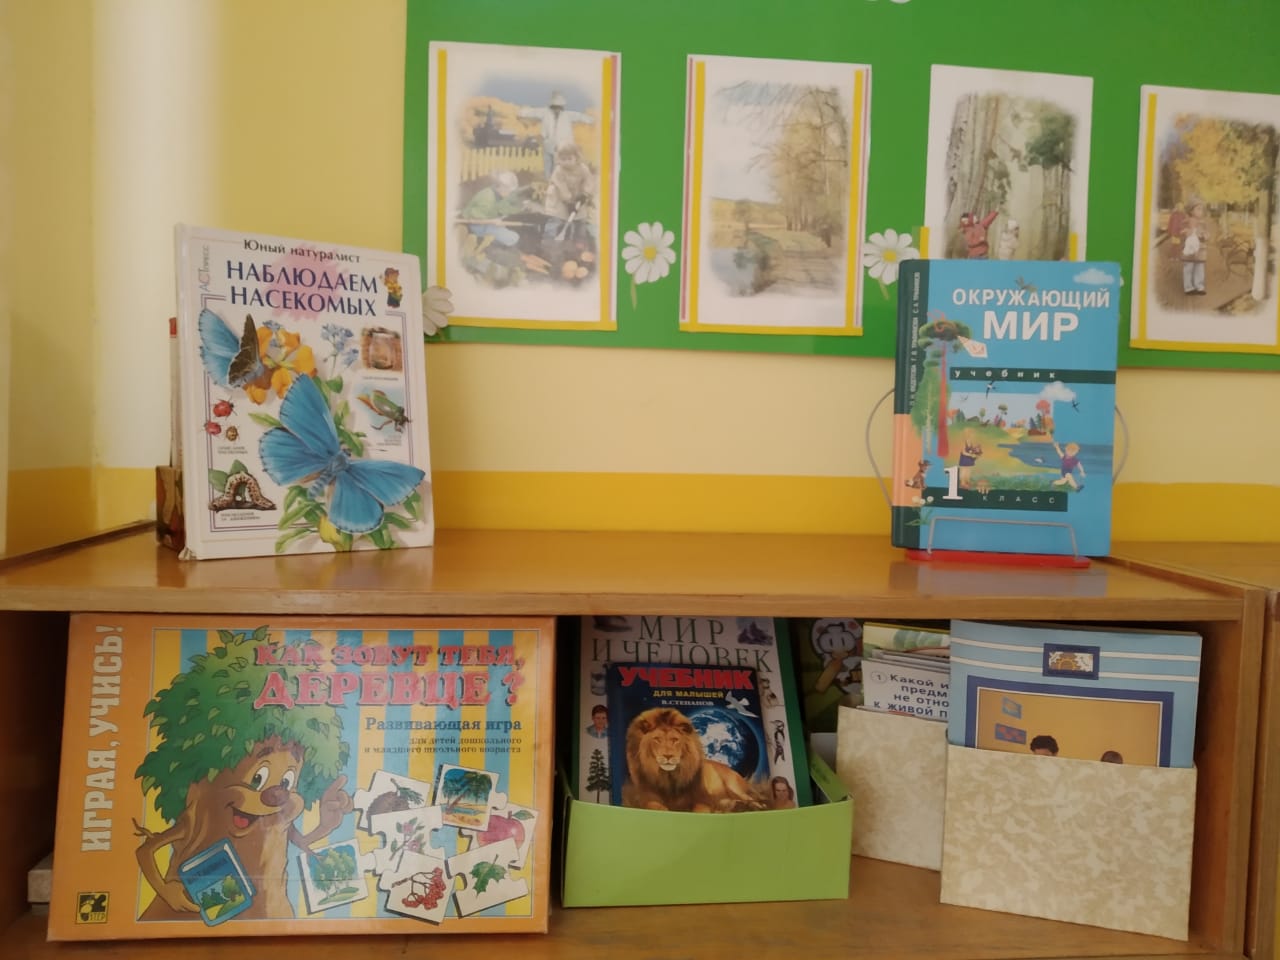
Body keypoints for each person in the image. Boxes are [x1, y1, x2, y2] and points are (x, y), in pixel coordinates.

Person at [519, 90, 595, 180]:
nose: (557, 109)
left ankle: (555, 181)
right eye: (555, 107)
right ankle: (548, 180)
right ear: (552, 106)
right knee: (547, 164)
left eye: (559, 107)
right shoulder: (545, 112)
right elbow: (534, 112)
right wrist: (521, 113)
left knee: (557, 165)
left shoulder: (567, 115)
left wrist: (591, 120)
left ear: (561, 107)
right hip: (548, 143)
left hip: (561, 145)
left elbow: (579, 116)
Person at [459, 170, 528, 248]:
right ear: (502, 187)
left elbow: (503, 207)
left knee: (513, 236)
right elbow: (473, 219)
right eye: (509, 191)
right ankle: (487, 242)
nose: (509, 193)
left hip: (489, 221)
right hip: (477, 226)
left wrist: (520, 209)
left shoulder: (497, 193)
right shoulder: (487, 198)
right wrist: (492, 221)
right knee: (513, 238)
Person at [543, 141, 596, 237]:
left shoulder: (582, 168)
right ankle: (551, 237)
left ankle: (579, 239)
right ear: (558, 159)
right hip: (559, 199)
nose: (566, 162)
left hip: (578, 197)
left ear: (576, 158)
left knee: (580, 219)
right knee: (557, 219)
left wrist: (585, 194)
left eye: (569, 159)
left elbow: (589, 181)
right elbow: (561, 187)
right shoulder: (558, 171)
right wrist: (568, 201)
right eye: (563, 159)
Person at [1181, 201, 1209, 296]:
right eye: (1198, 209)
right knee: (1188, 267)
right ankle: (1188, 287)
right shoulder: (1185, 222)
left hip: (1200, 249)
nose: (1201, 212)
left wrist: (1204, 235)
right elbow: (1181, 233)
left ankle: (1199, 286)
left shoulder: (1203, 223)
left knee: (1199, 268)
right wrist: (1187, 233)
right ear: (1191, 211)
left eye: (1202, 209)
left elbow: (1206, 234)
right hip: (1189, 249)